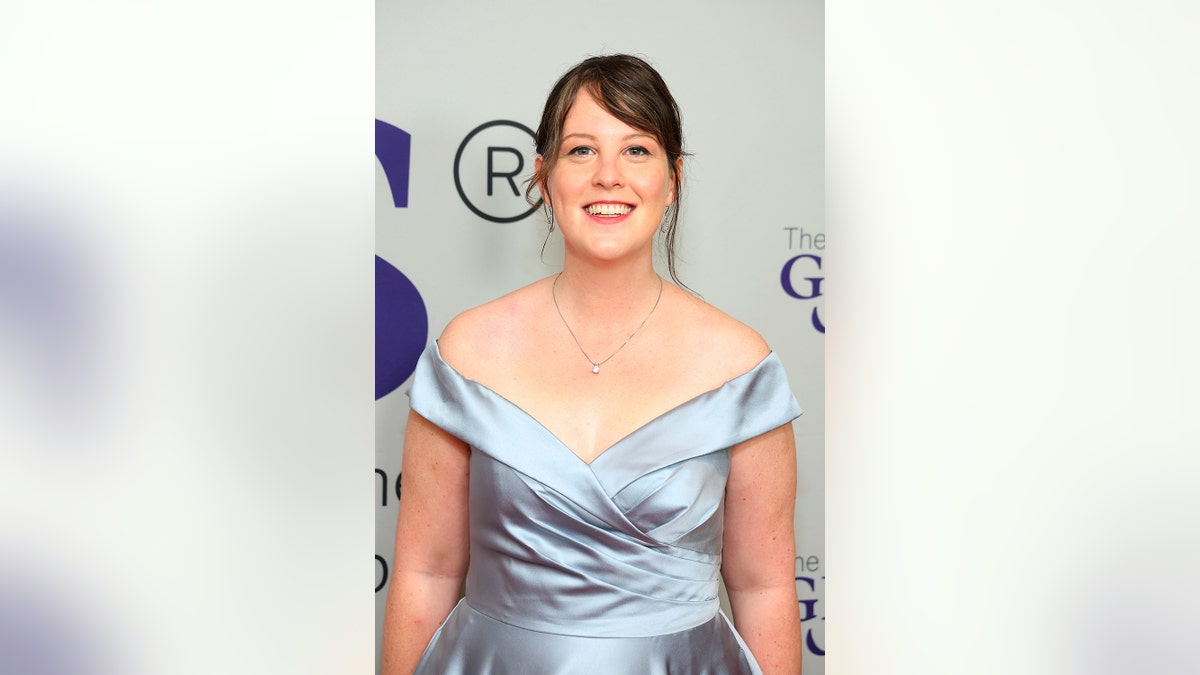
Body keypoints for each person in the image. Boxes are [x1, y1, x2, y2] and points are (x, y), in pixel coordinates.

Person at [381, 54, 803, 675]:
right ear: (544, 177)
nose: (609, 175)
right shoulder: (467, 353)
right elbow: (426, 572)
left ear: (674, 177)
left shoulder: (741, 368)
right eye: (582, 151)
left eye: (637, 150)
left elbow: (763, 589)